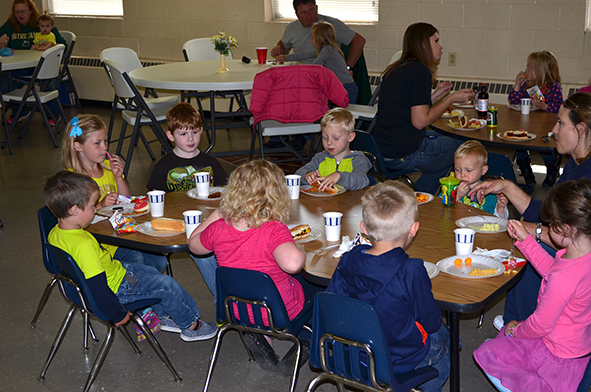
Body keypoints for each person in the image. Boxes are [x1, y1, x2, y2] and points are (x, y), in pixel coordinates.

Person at [43, 171, 218, 342]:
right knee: (167, 285)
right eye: (92, 206)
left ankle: (163, 315)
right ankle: (191, 325)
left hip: (119, 273)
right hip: (118, 287)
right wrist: (117, 314)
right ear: (74, 210)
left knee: (150, 271)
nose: (96, 209)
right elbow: (97, 286)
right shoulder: (83, 245)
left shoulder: (55, 234)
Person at [468, 92, 591, 329]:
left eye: (561, 123)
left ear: (581, 129)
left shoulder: (586, 177)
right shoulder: (575, 165)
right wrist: (508, 187)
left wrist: (533, 232)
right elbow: (546, 214)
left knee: (528, 248)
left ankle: (524, 324)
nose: (554, 130)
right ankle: (516, 319)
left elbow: (575, 241)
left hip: (581, 264)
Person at [189, 160, 323, 376]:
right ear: (277, 194)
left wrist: (218, 214)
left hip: (237, 309)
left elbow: (194, 245)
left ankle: (262, 335)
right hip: (279, 312)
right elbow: (293, 264)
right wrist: (299, 247)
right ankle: (307, 341)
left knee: (257, 283)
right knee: (317, 287)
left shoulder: (220, 228)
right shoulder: (274, 229)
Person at [327, 181, 450, 392]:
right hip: (399, 358)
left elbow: (333, 301)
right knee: (447, 342)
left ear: (364, 228)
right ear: (414, 229)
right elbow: (430, 321)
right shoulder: (411, 270)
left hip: (356, 351)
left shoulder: (347, 259)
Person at [474, 178, 591, 392]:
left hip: (555, 353)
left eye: (550, 225)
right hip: (574, 346)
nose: (546, 228)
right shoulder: (580, 256)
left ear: (566, 229)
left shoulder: (565, 278)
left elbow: (540, 325)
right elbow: (551, 270)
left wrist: (516, 328)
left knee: (488, 352)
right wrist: (526, 240)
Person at [373, 22, 474, 195]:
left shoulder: (398, 68)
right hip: (404, 153)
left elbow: (407, 107)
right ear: (423, 44)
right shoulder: (420, 71)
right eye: (436, 41)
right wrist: (451, 99)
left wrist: (436, 96)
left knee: (446, 139)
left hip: (382, 149)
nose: (440, 47)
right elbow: (420, 121)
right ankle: (425, 194)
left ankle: (422, 194)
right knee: (466, 147)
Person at [62, 114, 168, 273]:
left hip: (120, 234)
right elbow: (74, 217)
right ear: (78, 147)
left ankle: (141, 284)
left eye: (106, 141)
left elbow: (126, 201)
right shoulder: (73, 179)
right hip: (99, 242)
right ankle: (131, 286)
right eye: (97, 143)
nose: (104, 147)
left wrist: (118, 178)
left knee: (159, 260)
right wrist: (99, 205)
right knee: (138, 261)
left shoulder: (107, 167)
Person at [146, 102, 227, 296]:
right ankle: (224, 300)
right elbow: (154, 200)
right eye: (183, 134)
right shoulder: (163, 167)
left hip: (209, 221)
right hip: (177, 223)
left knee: (217, 250)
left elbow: (226, 192)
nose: (191, 139)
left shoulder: (210, 163)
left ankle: (227, 298)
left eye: (195, 132)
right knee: (203, 254)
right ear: (170, 136)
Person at [0, 0, 67, 125]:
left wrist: (54, 47)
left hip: (39, 66)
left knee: (50, 79)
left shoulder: (41, 23)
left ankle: (52, 114)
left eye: (23, 11)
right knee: (4, 81)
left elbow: (64, 45)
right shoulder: (10, 25)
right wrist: (2, 42)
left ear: (31, 11)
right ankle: (20, 110)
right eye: (17, 12)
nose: (20, 14)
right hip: (17, 66)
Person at [508, 50, 563, 187]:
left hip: (544, 125)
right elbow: (513, 101)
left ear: (540, 71)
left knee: (543, 147)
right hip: (526, 123)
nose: (525, 70)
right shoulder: (528, 85)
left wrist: (545, 106)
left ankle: (551, 170)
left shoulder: (553, 87)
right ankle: (526, 172)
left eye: (529, 67)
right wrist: (517, 84)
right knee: (519, 145)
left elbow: (559, 107)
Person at [276, 21, 358, 104]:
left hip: (346, 88)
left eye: (313, 38)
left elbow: (314, 67)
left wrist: (295, 71)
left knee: (343, 114)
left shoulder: (328, 50)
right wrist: (285, 57)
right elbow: (305, 54)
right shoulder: (325, 49)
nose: (312, 41)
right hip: (341, 87)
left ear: (321, 39)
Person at [295, 107, 371, 190]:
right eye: (325, 138)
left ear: (350, 137)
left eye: (335, 138)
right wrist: (307, 175)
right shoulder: (320, 158)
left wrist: (339, 176)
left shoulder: (358, 160)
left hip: (349, 202)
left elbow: (361, 180)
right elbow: (298, 174)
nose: (329, 142)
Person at [451, 140, 508, 218]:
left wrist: (500, 208)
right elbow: (440, 210)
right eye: (458, 169)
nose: (462, 175)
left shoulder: (490, 193)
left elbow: (499, 222)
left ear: (483, 170)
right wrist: (457, 196)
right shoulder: (451, 187)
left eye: (468, 170)